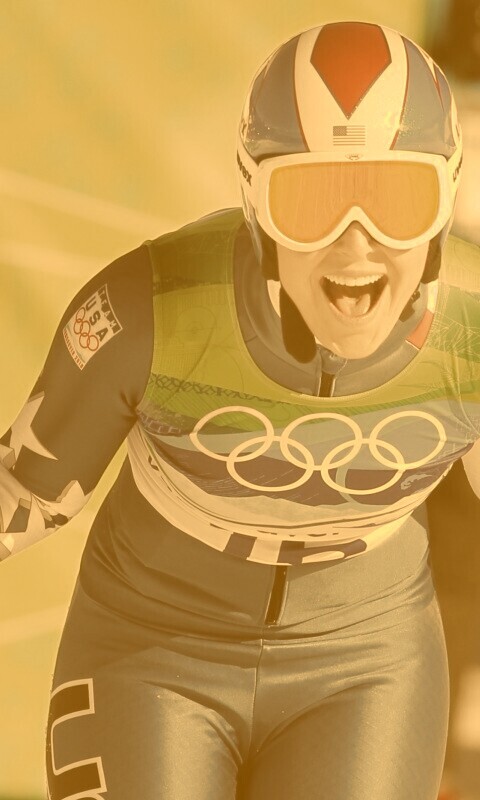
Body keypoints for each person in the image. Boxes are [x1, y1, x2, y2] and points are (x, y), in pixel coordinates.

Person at [1, 19, 479, 800]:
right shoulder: (150, 307)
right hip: (150, 652)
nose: (356, 244)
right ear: (255, 199)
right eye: (313, 201)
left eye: (397, 199)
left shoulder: (473, 335)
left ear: (447, 199)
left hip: (366, 668)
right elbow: (22, 494)